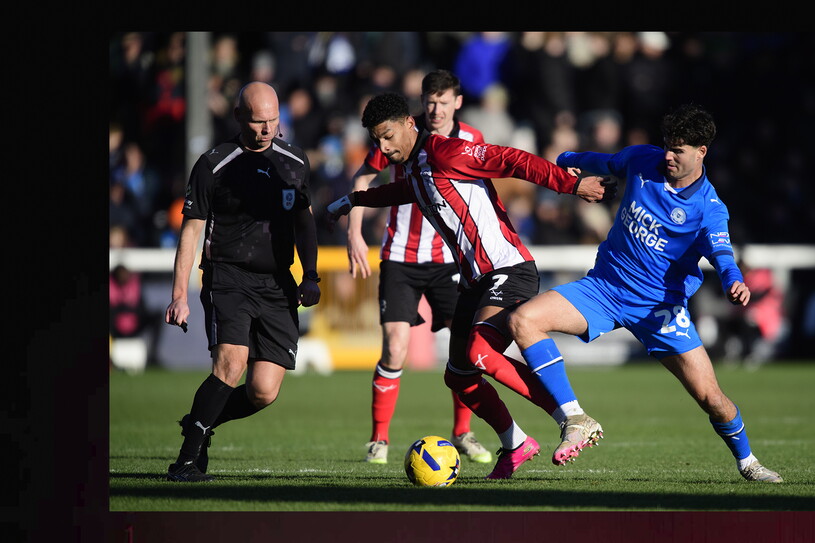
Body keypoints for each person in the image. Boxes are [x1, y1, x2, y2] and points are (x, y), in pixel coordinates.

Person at [323, 92, 616, 479]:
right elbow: (405, 192)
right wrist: (355, 199)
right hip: (478, 280)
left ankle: (572, 416)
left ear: (410, 124)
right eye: (377, 140)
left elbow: (514, 160)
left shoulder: (447, 151)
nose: (383, 147)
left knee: (479, 351)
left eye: (388, 135)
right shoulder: (414, 167)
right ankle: (516, 443)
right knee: (458, 375)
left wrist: (568, 185)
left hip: (509, 268)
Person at [507, 104, 783, 483]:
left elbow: (722, 252)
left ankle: (748, 462)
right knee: (524, 320)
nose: (668, 155)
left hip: (660, 310)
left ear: (702, 152)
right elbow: (601, 161)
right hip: (603, 289)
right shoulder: (643, 160)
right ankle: (575, 417)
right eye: (668, 145)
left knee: (712, 399)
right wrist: (565, 160)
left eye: (679, 149)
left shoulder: (709, 208)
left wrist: (733, 279)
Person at [164, 81, 321, 482]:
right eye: (257, 121)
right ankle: (185, 461)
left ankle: (202, 421)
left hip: (277, 283)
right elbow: (191, 231)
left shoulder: (295, 161)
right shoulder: (213, 164)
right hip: (227, 278)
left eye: (272, 120)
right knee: (231, 363)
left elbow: (304, 224)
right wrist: (179, 294)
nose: (266, 129)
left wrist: (311, 275)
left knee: (263, 391)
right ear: (238, 117)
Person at [346, 70, 492, 465]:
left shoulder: (471, 141)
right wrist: (354, 233)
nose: (436, 108)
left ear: (457, 103)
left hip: (450, 260)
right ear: (421, 104)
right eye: (430, 101)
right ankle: (379, 439)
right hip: (400, 258)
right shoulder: (400, 135)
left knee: (465, 349)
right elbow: (364, 176)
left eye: (444, 102)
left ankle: (463, 432)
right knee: (395, 348)